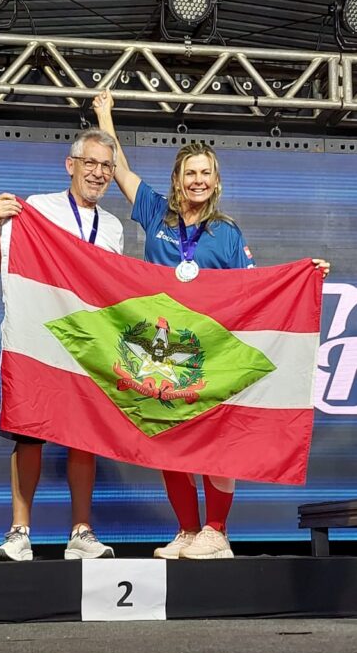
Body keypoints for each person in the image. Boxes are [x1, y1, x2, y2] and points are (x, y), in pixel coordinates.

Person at [93, 90, 330, 561]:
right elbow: (120, 170)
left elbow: (254, 289)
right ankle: (186, 531)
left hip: (208, 353)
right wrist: (104, 115)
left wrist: (304, 274)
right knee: (167, 441)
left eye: (205, 173)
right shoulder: (155, 212)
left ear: (215, 181)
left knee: (215, 442)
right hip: (161, 355)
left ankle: (216, 531)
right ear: (177, 180)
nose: (197, 181)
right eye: (190, 173)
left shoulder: (227, 232)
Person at [0, 127, 124, 562]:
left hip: (89, 346)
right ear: (71, 165)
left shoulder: (114, 227)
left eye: (106, 166)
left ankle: (81, 532)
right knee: (29, 434)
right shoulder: (37, 210)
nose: (98, 173)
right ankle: (19, 532)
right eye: (90, 163)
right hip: (37, 342)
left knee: (85, 437)